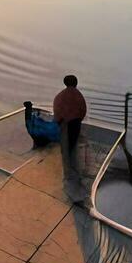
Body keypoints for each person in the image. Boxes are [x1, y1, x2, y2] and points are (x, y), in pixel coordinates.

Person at [53, 74, 88, 203]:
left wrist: (59, 121)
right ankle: (75, 170)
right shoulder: (79, 95)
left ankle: (69, 173)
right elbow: (83, 110)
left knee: (66, 148)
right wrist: (78, 119)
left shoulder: (60, 95)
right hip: (76, 124)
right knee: (73, 145)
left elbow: (57, 111)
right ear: (76, 83)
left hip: (65, 124)